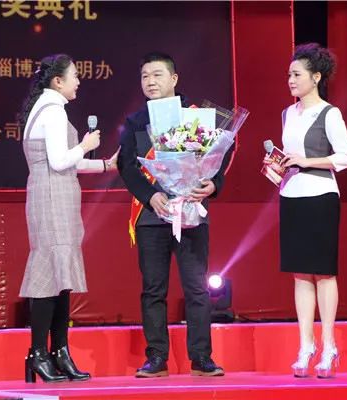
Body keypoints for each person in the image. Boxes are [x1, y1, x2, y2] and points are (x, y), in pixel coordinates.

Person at [117, 52, 230, 378]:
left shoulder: (195, 117)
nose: (150, 82)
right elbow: (127, 165)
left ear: (174, 79)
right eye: (145, 76)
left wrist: (213, 184)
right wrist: (150, 195)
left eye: (157, 75)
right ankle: (156, 357)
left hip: (190, 211)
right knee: (153, 289)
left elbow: (221, 153)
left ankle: (202, 357)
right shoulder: (136, 121)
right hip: (152, 216)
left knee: (196, 288)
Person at [18, 53, 118, 383]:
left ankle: (60, 351)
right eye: (74, 76)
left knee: (61, 277)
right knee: (49, 274)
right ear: (57, 81)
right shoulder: (53, 111)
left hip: (56, 194)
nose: (78, 81)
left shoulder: (49, 108)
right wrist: (86, 145)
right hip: (51, 196)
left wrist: (104, 165)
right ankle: (39, 353)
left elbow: (64, 162)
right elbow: (61, 161)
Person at [264, 43, 347, 378]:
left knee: (323, 272)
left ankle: (329, 345)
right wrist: (278, 165)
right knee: (300, 273)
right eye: (289, 74)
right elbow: (292, 156)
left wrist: (306, 161)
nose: (291, 80)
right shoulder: (288, 113)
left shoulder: (330, 114)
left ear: (316, 77)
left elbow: (346, 156)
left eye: (297, 74)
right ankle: (306, 346)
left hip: (320, 195)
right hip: (292, 195)